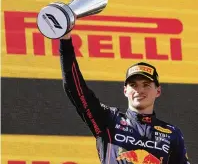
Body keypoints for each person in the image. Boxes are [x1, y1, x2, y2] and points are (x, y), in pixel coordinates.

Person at [59, 31, 190, 164]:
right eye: (133, 85)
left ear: (158, 90)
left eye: (146, 85)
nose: (139, 90)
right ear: (125, 90)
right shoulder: (108, 120)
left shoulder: (172, 134)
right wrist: (65, 40)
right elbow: (74, 88)